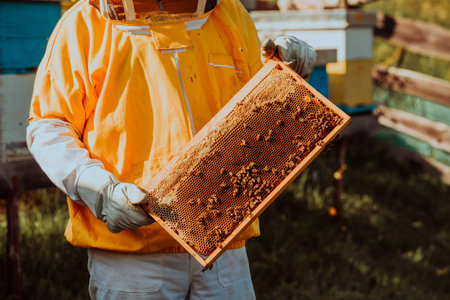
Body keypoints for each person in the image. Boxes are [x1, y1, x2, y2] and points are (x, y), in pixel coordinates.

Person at [26, 0, 317, 299]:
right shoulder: (84, 25)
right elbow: (50, 126)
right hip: (134, 255)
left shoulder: (228, 14)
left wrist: (282, 74)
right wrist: (100, 191)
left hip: (224, 245)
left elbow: (253, 108)